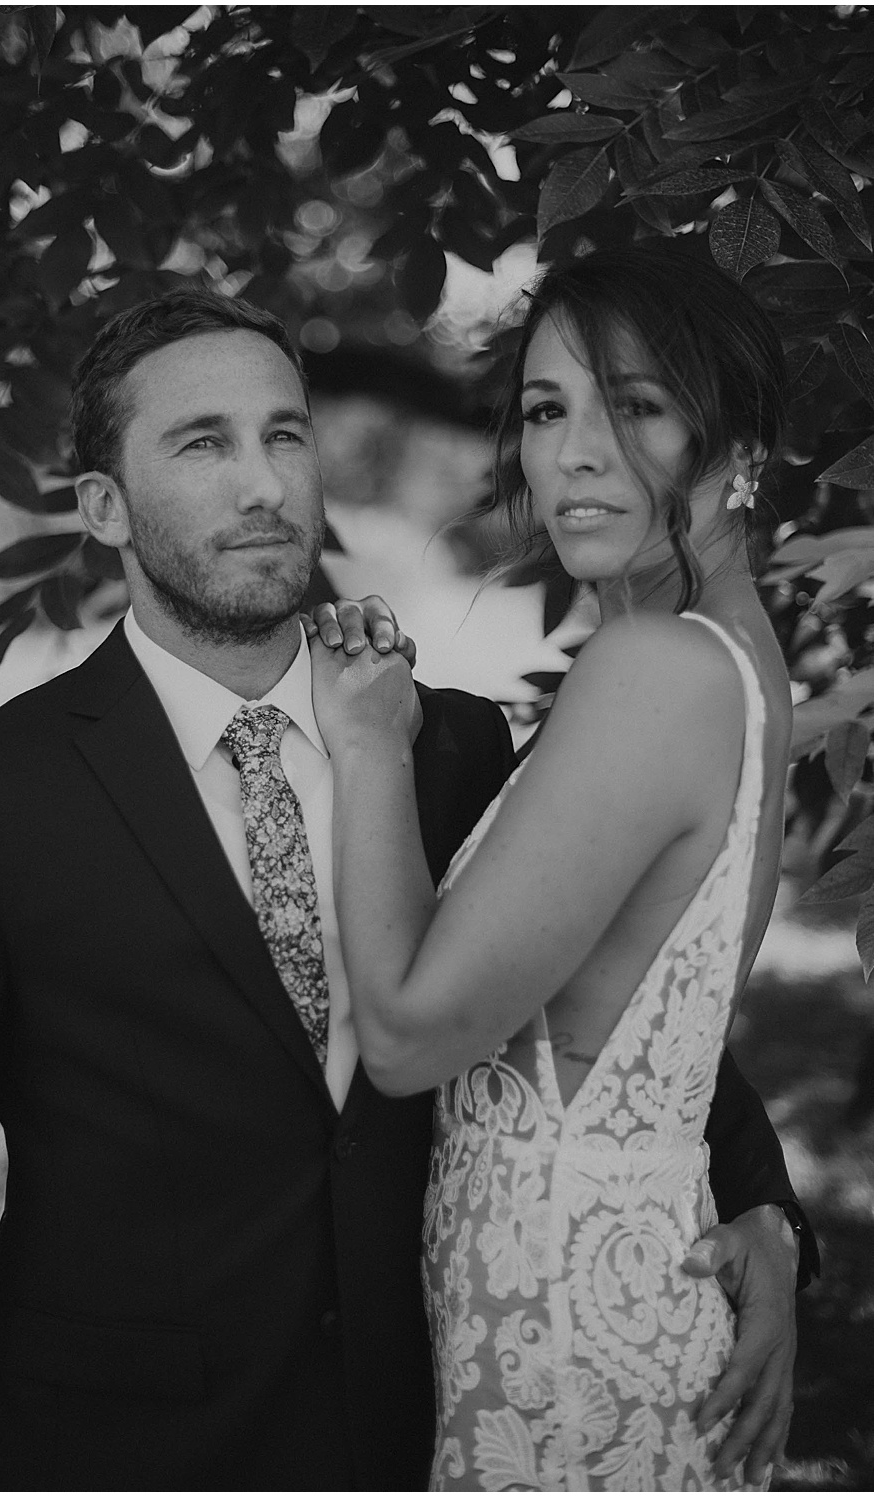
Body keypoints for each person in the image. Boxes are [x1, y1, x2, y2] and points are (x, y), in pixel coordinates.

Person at [0, 286, 815, 1490]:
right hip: (121, 1449)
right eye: (201, 443)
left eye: (283, 434)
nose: (262, 483)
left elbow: (606, 1004)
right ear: (103, 507)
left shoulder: (452, 747)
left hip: (427, 1423)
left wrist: (770, 1221)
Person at [312, 247, 802, 1489]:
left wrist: (369, 745)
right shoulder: (735, 664)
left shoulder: (655, 673)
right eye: (544, 411)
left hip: (567, 1344)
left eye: (632, 405)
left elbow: (411, 1038)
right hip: (610, 1292)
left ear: (736, 440)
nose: (571, 453)